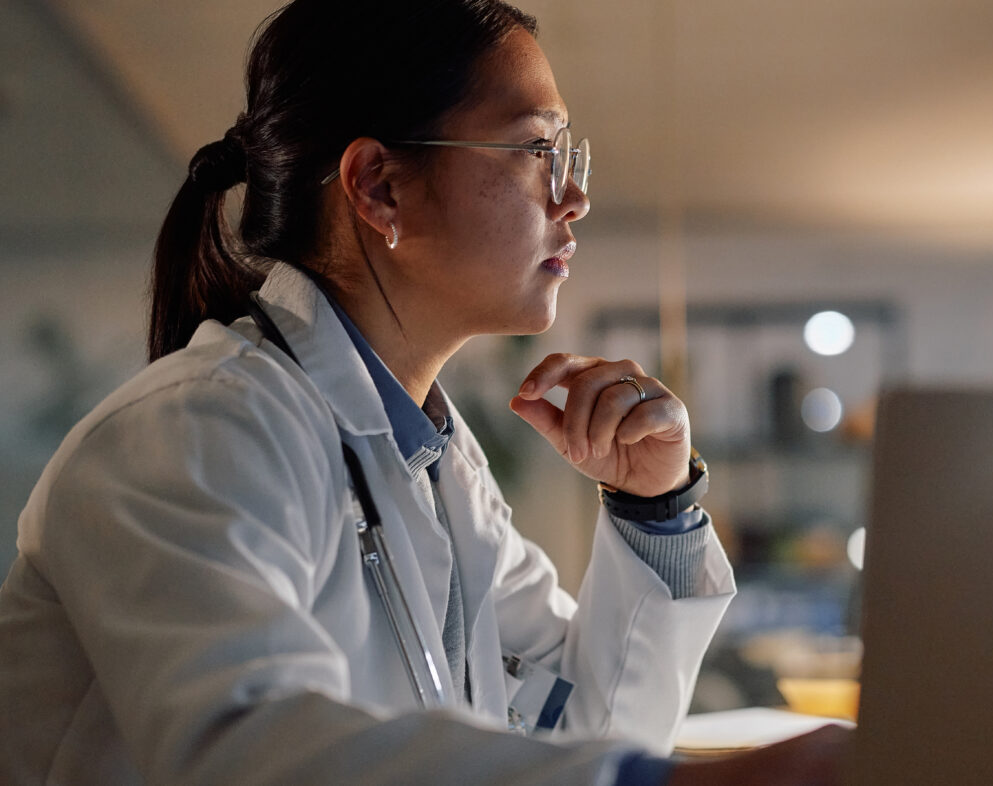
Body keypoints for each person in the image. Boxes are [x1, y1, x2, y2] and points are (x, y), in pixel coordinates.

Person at [0, 1, 849, 783]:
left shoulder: (434, 465)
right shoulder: (199, 429)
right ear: (378, 186)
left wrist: (654, 508)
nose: (575, 198)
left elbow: (586, 727)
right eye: (537, 152)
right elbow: (247, 751)